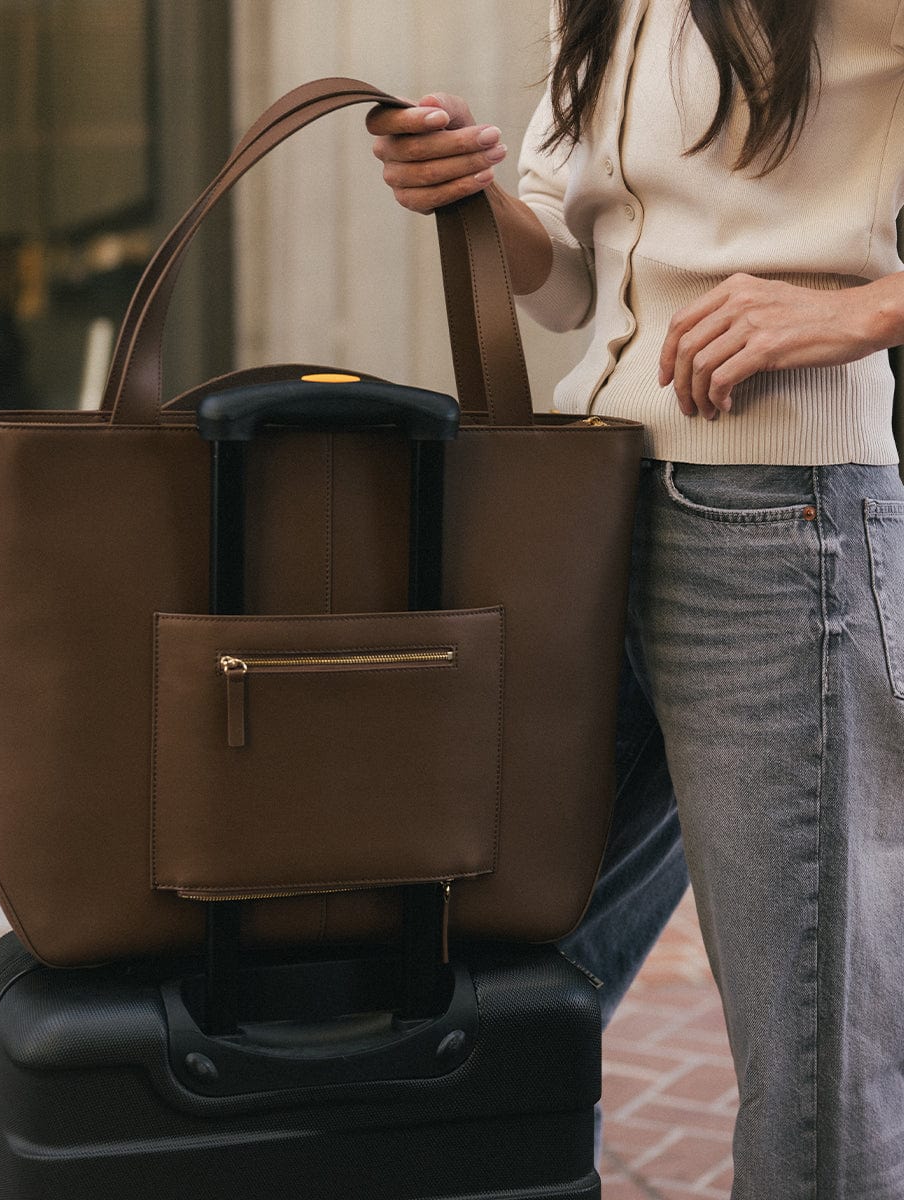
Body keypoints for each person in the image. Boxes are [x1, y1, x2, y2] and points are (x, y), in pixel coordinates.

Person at [367, 2, 904, 1197]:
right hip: (593, 519)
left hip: (778, 527)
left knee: (811, 1057)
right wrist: (465, 189)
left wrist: (855, 309)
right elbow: (566, 281)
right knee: (495, 977)